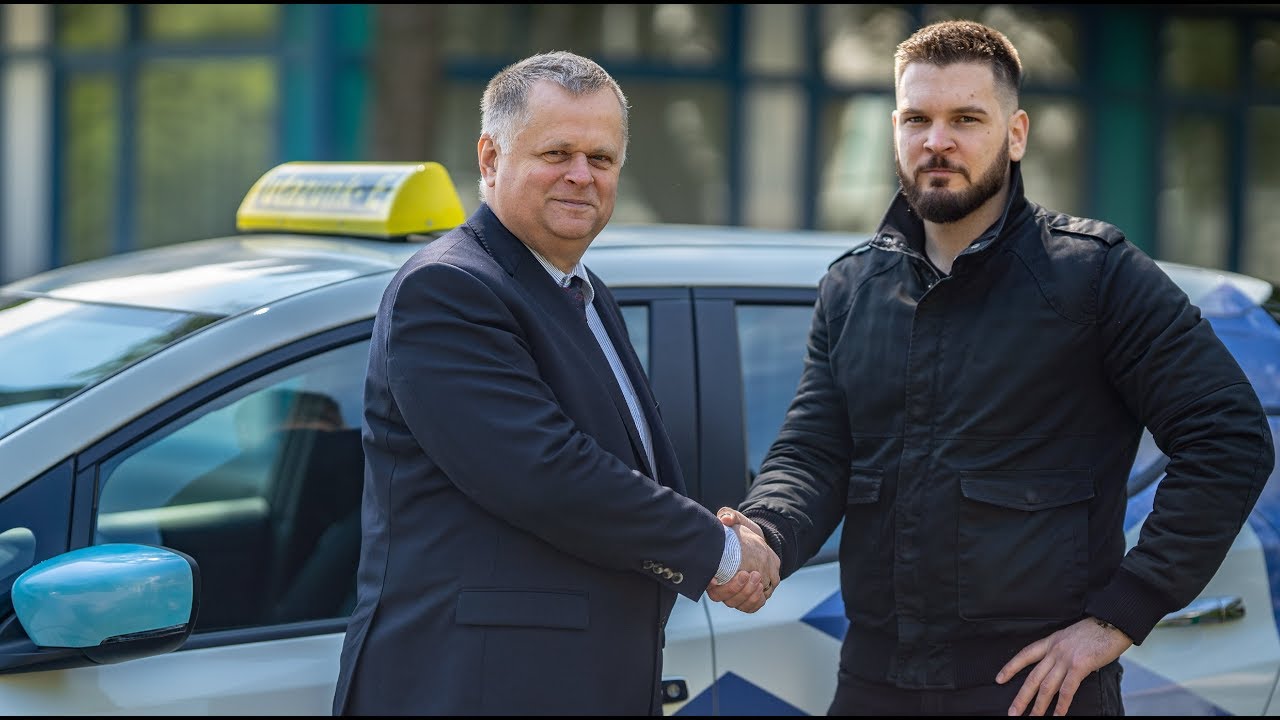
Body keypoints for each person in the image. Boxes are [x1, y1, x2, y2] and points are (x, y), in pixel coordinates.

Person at [720, 19, 1275, 717]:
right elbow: (813, 452)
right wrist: (766, 530)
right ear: (895, 130)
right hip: (874, 682)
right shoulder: (851, 287)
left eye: (966, 119)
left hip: (1035, 688)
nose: (937, 141)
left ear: (1015, 135)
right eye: (917, 119)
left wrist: (1121, 616)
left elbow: (1228, 436)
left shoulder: (1094, 277)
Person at [331, 50, 779, 716]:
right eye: (556, 153)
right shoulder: (448, 288)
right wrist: (716, 550)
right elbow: (546, 472)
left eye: (601, 158)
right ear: (490, 158)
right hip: (475, 690)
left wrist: (738, 533)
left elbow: (619, 466)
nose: (581, 176)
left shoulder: (582, 291)